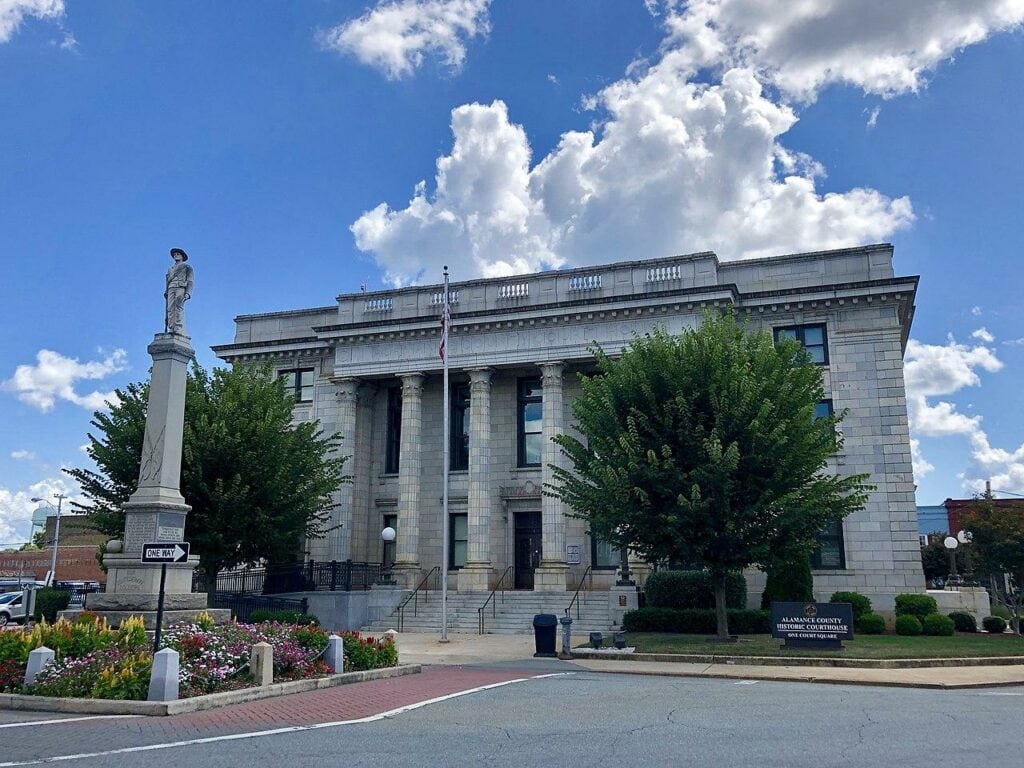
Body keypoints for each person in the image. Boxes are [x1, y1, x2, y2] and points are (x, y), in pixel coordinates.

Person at [165, 247, 194, 334]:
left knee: (178, 307)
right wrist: (166, 290)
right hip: (171, 288)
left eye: (178, 254)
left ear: (182, 256)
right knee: (170, 308)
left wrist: (188, 293)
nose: (176, 256)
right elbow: (167, 281)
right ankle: (171, 327)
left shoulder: (187, 267)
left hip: (181, 287)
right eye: (174, 255)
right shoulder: (170, 269)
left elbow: (190, 280)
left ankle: (178, 327)